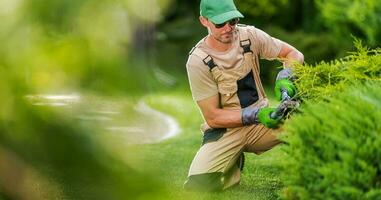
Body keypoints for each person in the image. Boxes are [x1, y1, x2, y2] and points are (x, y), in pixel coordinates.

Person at [183, 0, 304, 191]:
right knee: (199, 185)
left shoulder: (250, 36)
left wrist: (286, 77)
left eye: (233, 21)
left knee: (306, 124)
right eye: (220, 23)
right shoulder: (199, 61)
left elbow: (293, 54)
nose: (228, 28)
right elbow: (213, 117)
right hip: (227, 130)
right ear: (204, 21)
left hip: (263, 124)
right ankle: (233, 160)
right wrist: (255, 115)